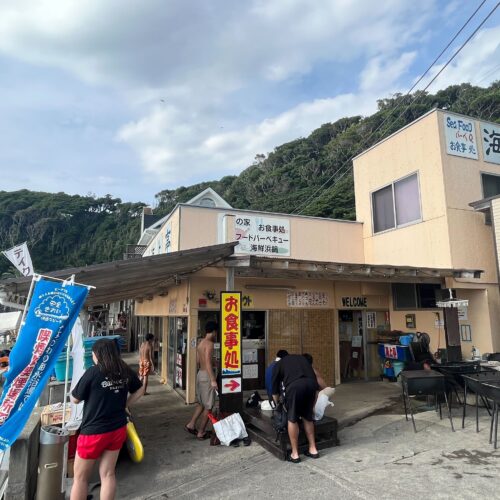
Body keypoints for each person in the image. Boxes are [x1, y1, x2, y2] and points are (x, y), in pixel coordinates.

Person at [70, 339, 144, 500]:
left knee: (80, 479)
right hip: (117, 429)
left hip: (93, 432)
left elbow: (75, 399)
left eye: (93, 354)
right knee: (108, 474)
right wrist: (124, 404)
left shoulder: (93, 372)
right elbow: (140, 390)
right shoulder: (123, 369)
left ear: (97, 355)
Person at [272, 354, 319, 463]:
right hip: (311, 385)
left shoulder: (278, 364)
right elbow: (315, 384)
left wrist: (277, 405)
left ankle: (295, 454)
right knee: (308, 417)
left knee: (292, 418)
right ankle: (313, 449)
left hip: (295, 386)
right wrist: (311, 406)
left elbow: (274, 391)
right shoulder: (302, 359)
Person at [185, 321, 218, 440]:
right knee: (209, 406)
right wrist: (213, 380)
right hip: (207, 376)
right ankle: (201, 432)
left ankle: (191, 424)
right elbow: (208, 363)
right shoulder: (209, 344)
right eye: (216, 332)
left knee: (200, 403)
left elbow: (199, 361)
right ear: (214, 331)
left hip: (200, 374)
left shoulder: (200, 343)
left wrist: (213, 362)